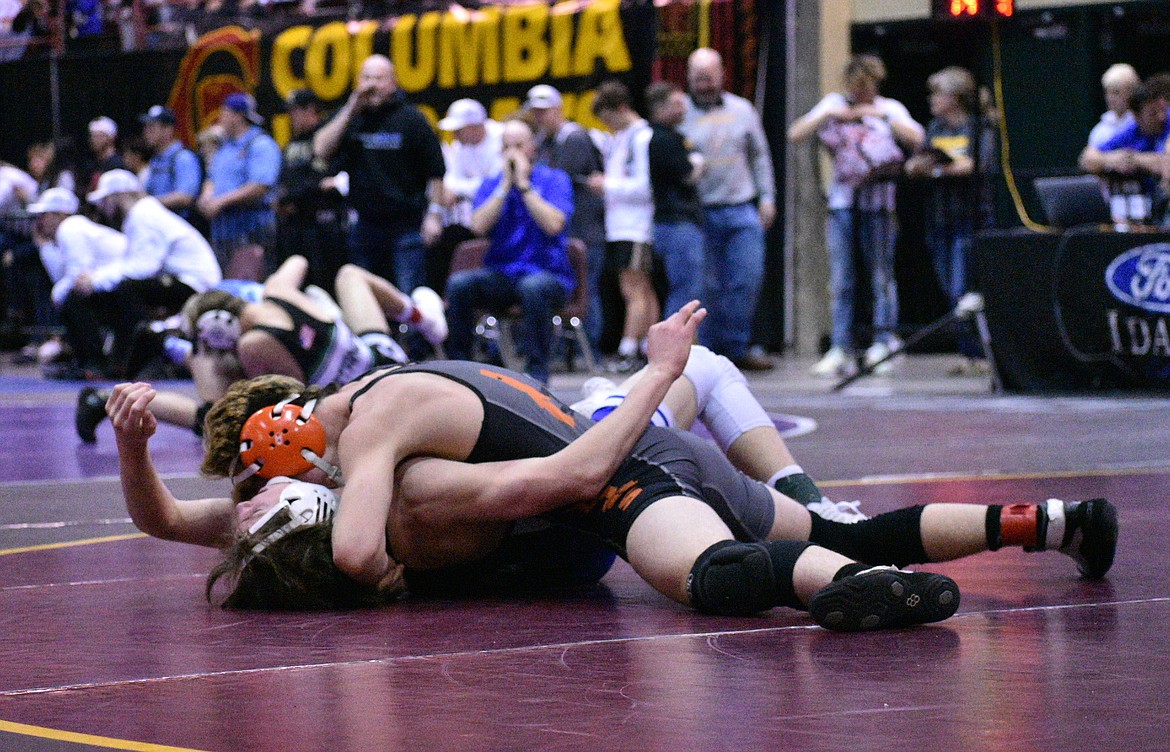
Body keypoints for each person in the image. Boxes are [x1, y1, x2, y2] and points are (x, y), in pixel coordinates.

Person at [107, 301, 1116, 632]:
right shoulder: (333, 480)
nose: (246, 494)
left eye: (253, 477)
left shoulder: (384, 463)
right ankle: (1055, 520)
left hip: (612, 469)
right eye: (253, 492)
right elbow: (170, 522)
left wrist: (660, 371)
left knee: (718, 573)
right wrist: (131, 446)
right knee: (824, 532)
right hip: (591, 480)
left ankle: (852, 587)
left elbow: (573, 469)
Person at [75, 254, 447, 443]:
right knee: (350, 275)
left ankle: (115, 393)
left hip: (367, 394)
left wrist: (209, 364)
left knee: (218, 423)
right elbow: (298, 261)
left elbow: (297, 402)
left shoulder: (255, 345)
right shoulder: (276, 290)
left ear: (219, 329)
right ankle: (422, 318)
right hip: (379, 354)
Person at [788, 54, 925, 378]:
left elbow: (918, 138)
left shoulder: (888, 108)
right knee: (842, 279)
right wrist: (832, 114)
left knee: (881, 276)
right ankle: (840, 347)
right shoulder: (834, 104)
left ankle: (884, 341)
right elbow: (796, 134)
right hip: (842, 206)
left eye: (868, 87)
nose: (862, 93)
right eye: (857, 87)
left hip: (879, 207)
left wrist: (878, 116)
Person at [446, 119, 575, 384]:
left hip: (548, 274)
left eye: (519, 145)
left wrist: (525, 186)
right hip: (502, 275)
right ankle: (460, 368)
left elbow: (553, 224)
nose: (513, 153)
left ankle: (536, 372)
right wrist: (505, 187)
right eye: (507, 146)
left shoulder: (554, 179)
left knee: (533, 287)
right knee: (459, 284)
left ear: (533, 148)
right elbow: (478, 226)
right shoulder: (493, 184)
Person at [312, 54, 446, 299]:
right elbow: (321, 148)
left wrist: (435, 215)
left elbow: (436, 173)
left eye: (379, 78)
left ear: (393, 83)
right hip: (364, 225)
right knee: (363, 295)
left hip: (406, 225)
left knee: (410, 295)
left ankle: (412, 338)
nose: (372, 84)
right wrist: (351, 107)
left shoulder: (411, 118)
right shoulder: (352, 119)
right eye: (366, 78)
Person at [680, 48, 776, 372]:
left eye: (708, 78)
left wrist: (768, 197)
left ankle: (738, 347)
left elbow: (760, 156)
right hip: (699, 213)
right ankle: (706, 356)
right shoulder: (679, 112)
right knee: (705, 287)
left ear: (721, 74)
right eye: (697, 78)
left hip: (741, 208)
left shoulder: (742, 109)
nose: (703, 85)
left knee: (746, 279)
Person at [904, 67, 996, 375]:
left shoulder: (977, 127)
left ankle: (982, 354)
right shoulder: (935, 129)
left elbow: (972, 165)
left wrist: (939, 170)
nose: (932, 100)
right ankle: (968, 354)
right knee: (949, 290)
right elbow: (918, 163)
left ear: (954, 98)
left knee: (962, 288)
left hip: (969, 218)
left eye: (937, 94)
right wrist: (926, 168)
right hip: (938, 218)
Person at [526, 84, 607, 356]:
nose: (539, 118)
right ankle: (564, 352)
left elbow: (558, 180)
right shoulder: (544, 141)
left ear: (559, 110)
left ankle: (590, 351)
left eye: (544, 112)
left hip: (585, 229)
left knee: (588, 289)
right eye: (535, 113)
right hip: (564, 231)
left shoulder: (574, 138)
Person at [589, 80, 658, 374]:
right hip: (619, 225)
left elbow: (645, 186)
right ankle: (648, 346)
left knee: (634, 288)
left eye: (608, 119)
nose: (608, 126)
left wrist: (607, 186)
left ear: (620, 109)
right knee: (642, 287)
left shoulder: (642, 138)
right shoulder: (620, 138)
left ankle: (628, 348)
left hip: (636, 225)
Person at [27, 186, 128, 378]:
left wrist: (57, 294)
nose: (39, 222)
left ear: (61, 214)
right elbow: (61, 276)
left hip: (124, 285)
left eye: (44, 215)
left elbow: (77, 275)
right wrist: (45, 247)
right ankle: (85, 361)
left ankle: (93, 364)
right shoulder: (67, 233)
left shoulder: (71, 228)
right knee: (70, 296)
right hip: (114, 283)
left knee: (73, 298)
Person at [272, 89, 349, 295]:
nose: (291, 117)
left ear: (311, 110)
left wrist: (298, 195)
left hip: (320, 226)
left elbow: (325, 180)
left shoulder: (326, 137)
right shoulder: (293, 143)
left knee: (324, 283)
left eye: (295, 111)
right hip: (293, 225)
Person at [197, 92, 281, 279]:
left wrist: (220, 202)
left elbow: (261, 185)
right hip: (222, 231)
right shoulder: (224, 147)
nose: (220, 119)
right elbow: (212, 177)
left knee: (248, 283)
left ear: (237, 116)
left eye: (224, 113)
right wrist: (207, 195)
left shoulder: (260, 144)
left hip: (251, 230)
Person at [645, 81, 706, 333]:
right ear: (659, 108)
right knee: (685, 292)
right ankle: (674, 348)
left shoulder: (674, 137)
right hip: (675, 223)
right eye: (676, 104)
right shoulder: (662, 140)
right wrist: (699, 162)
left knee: (688, 289)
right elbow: (689, 174)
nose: (683, 108)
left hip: (680, 223)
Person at [429, 98, 503, 295]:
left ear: (475, 126)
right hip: (478, 219)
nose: (454, 134)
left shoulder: (502, 139)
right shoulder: (462, 145)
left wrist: (461, 189)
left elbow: (496, 184)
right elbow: (452, 180)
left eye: (459, 129)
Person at [1079, 82, 1170, 229]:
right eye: (1153, 113)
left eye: (1163, 110)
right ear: (1136, 116)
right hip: (1147, 209)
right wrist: (1111, 159)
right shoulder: (1131, 130)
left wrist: (1135, 159)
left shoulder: (1168, 121)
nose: (1161, 117)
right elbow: (1087, 159)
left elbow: (1165, 165)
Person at [139, 104, 202, 222]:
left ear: (168, 130)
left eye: (152, 128)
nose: (146, 132)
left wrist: (148, 203)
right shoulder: (155, 160)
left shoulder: (183, 158)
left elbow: (185, 197)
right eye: (145, 128)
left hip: (180, 225)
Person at [1088, 64, 1141, 149]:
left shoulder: (1143, 124)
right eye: (1107, 92)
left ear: (1132, 92)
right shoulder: (1100, 130)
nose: (1110, 98)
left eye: (1116, 92)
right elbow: (1089, 159)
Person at [83, 116, 125, 194]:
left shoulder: (118, 164)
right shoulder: (93, 164)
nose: (93, 140)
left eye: (98, 136)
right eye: (92, 136)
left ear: (111, 137)